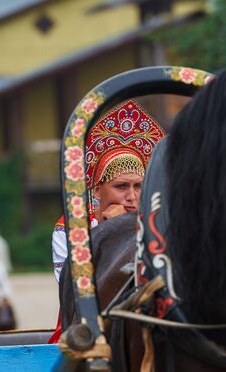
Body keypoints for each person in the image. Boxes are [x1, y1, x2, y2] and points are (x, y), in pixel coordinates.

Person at [48, 99, 164, 342]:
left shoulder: (157, 221)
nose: (132, 197)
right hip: (88, 324)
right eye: (121, 187)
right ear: (98, 191)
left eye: (138, 186)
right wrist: (107, 231)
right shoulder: (70, 228)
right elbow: (72, 288)